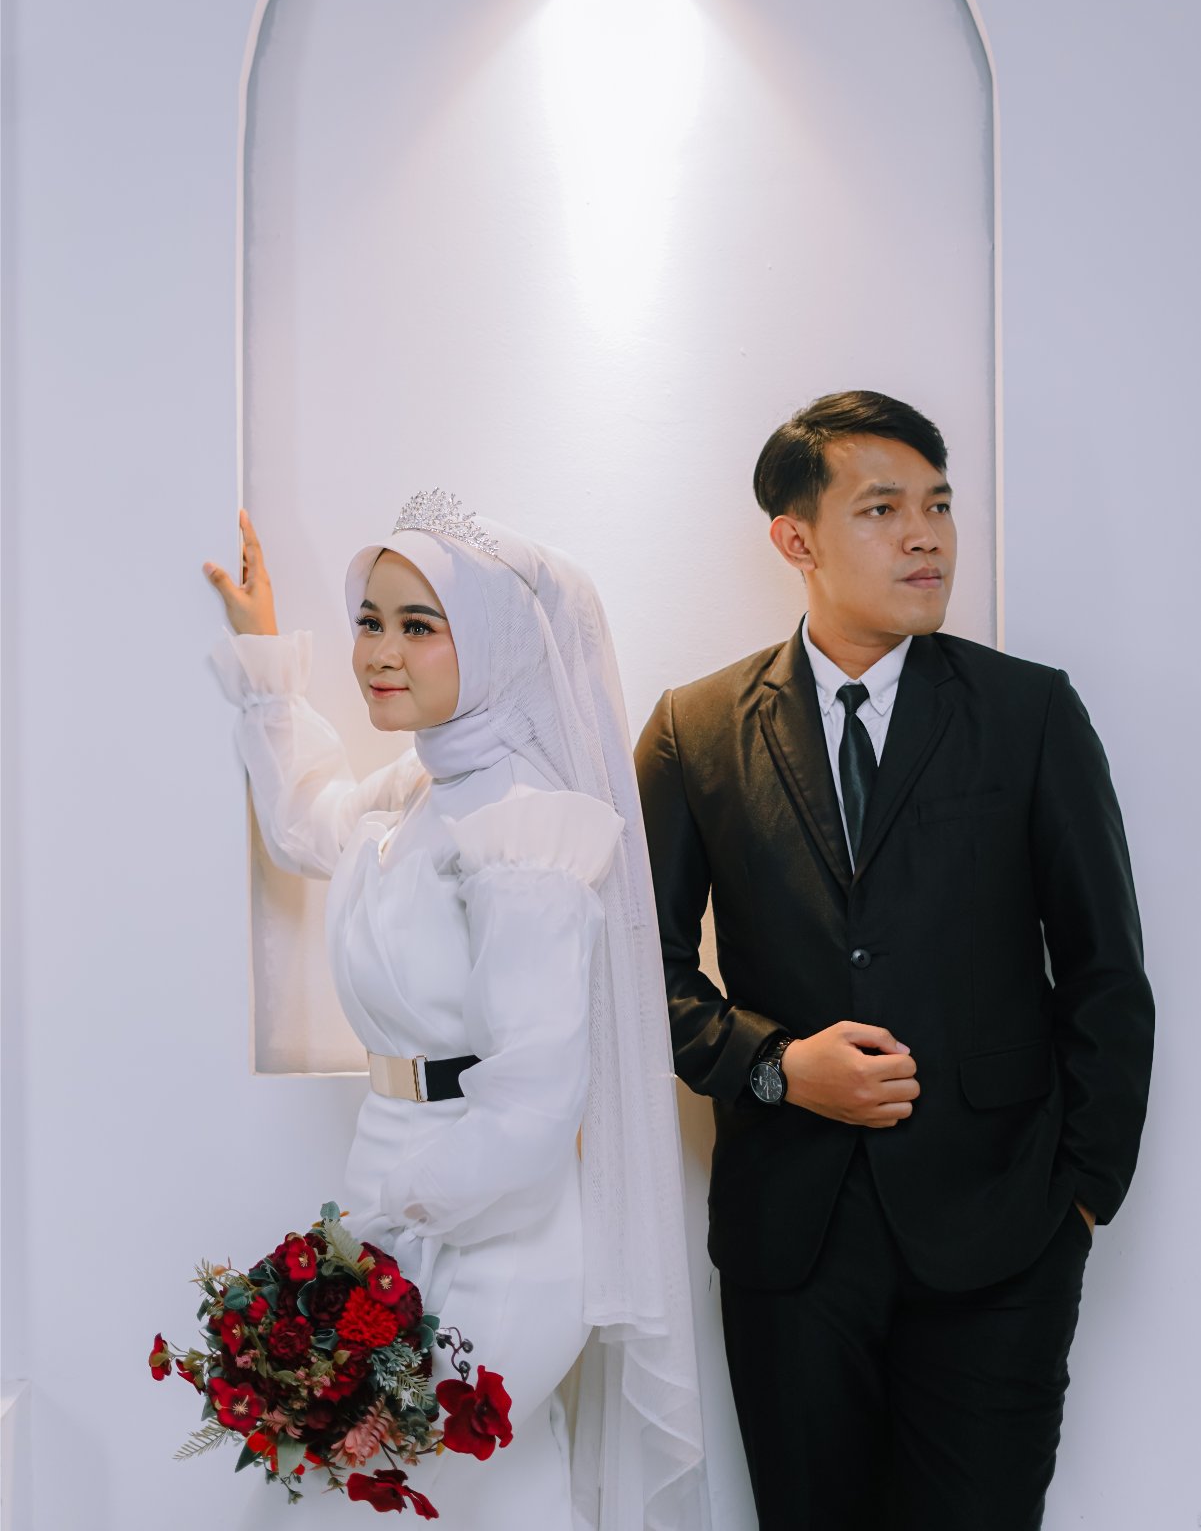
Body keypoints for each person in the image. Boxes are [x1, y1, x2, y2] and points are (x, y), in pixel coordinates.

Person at [634, 392, 1154, 1531]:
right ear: (796, 538)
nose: (926, 537)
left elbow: (1106, 969)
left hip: (1003, 1232)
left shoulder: (1028, 712)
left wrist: (1078, 1200)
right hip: (792, 1241)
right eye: (882, 509)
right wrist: (776, 1066)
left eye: (939, 506)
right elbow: (639, 974)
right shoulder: (693, 728)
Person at [204, 490, 707, 1531]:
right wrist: (264, 661)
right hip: (394, 1204)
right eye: (369, 621)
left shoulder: (527, 830)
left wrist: (386, 1220)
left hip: (502, 1246)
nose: (380, 654)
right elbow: (306, 826)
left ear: (493, 642)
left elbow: (533, 1109)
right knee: (502, 1501)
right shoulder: (418, 791)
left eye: (419, 625)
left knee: (388, 1498)